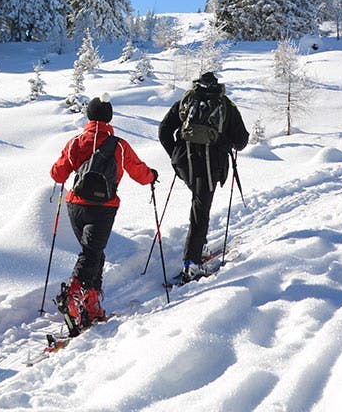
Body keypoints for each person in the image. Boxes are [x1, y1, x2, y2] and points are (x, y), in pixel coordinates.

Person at [50, 93, 157, 333]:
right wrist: (152, 176)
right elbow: (139, 173)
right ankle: (74, 295)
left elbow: (57, 174)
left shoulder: (75, 142)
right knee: (91, 253)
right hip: (103, 208)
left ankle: (92, 304)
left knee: (93, 253)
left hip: (75, 206)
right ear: (109, 117)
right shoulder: (119, 145)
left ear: (89, 116)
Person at [158, 72, 249, 282]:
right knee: (201, 209)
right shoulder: (226, 104)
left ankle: (198, 247)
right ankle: (192, 263)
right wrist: (225, 142)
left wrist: (174, 153)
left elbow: (164, 129)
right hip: (211, 165)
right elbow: (241, 141)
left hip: (184, 162)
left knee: (199, 204)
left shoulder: (186, 100)